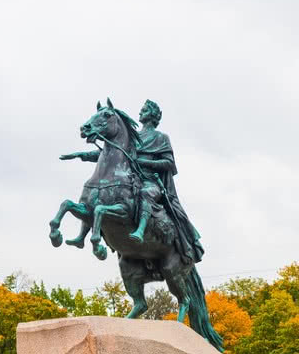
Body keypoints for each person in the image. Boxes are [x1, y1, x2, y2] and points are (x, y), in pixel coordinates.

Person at [60, 99, 204, 264]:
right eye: (142, 110)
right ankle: (84, 235)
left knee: (145, 193)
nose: (141, 112)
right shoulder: (134, 136)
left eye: (145, 110)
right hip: (130, 177)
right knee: (94, 195)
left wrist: (144, 162)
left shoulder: (161, 137)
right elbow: (111, 154)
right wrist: (81, 155)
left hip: (150, 181)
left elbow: (169, 163)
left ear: (154, 115)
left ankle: (141, 230)